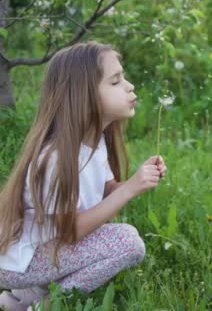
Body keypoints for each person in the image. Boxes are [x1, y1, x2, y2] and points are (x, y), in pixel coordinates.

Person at [0, 41, 166, 310]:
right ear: (83, 95)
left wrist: (137, 180)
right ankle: (47, 304)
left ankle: (18, 301)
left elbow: (105, 190)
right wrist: (130, 189)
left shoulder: (94, 141)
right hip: (20, 262)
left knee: (122, 240)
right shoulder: (55, 158)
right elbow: (71, 232)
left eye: (123, 77)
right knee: (126, 241)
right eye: (115, 82)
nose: (129, 86)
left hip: (43, 251)